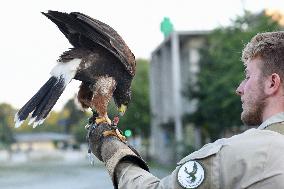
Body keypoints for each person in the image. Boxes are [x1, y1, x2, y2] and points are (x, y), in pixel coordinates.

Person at [88, 31, 284, 189]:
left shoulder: (244, 154)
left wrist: (113, 151)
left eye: (248, 76)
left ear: (272, 83)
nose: (239, 88)